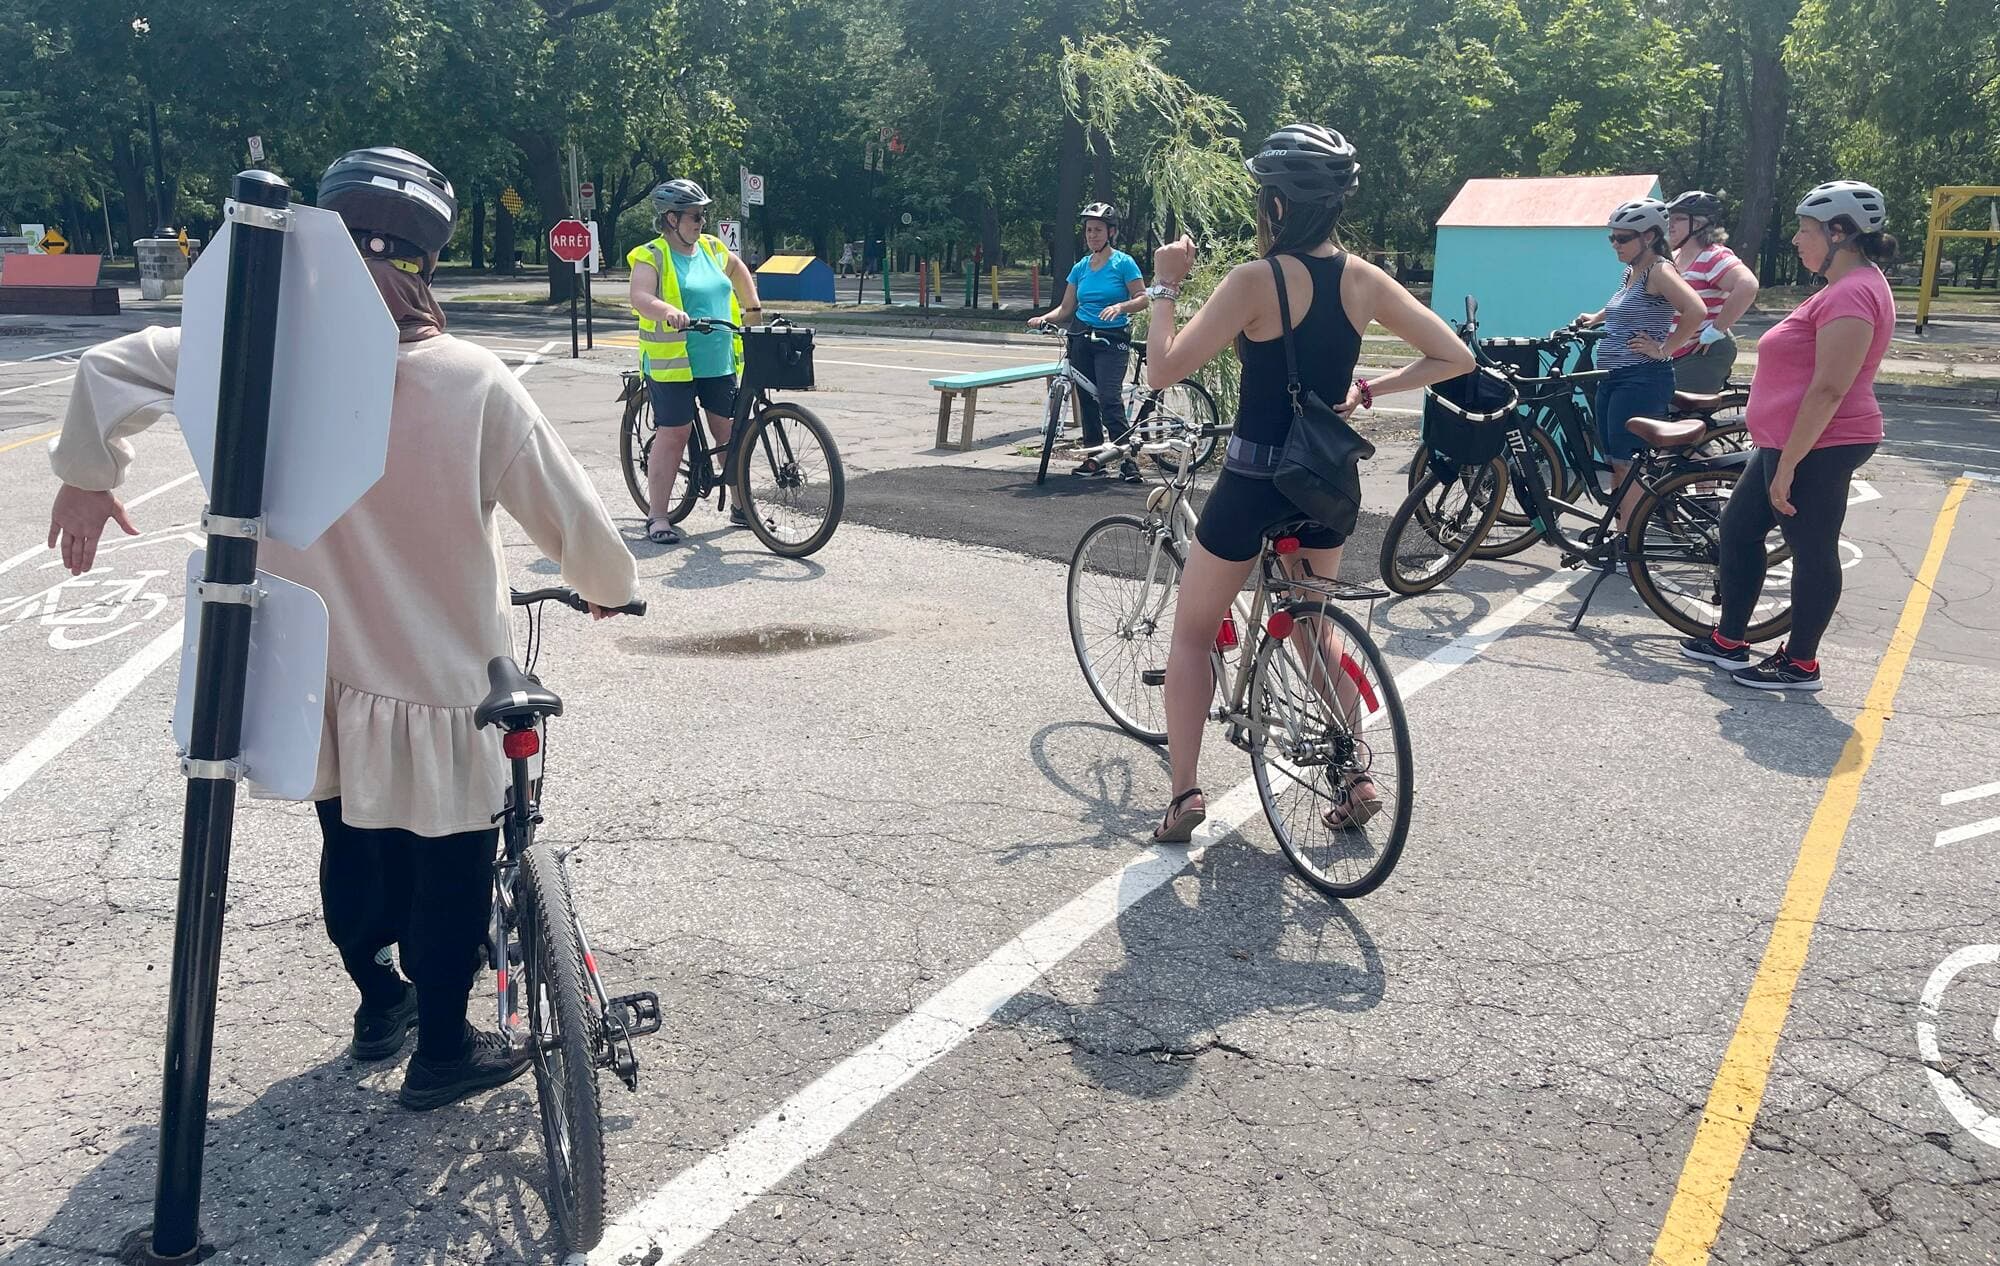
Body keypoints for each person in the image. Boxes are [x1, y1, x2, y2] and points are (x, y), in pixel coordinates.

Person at [43, 146, 640, 1110]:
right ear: (426, 267)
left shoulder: (252, 355)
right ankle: (443, 1049)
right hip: (441, 681)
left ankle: (378, 1002)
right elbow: (577, 529)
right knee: (450, 868)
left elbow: (111, 364)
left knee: (350, 844)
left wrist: (86, 475)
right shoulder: (471, 381)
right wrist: (608, 584)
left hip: (316, 680)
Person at [1140, 124, 1474, 842]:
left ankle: (1185, 796)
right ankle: (1355, 772)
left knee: (1194, 636)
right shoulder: (1362, 277)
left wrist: (1165, 283)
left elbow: (1162, 370)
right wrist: (1372, 388)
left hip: (1254, 481)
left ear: (1277, 203)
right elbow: (1454, 357)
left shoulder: (1254, 281)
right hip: (1326, 484)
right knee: (1312, 624)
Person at [1680, 180, 1895, 691]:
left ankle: (1800, 663)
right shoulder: (1843, 286)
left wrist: (1791, 463)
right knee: (1737, 528)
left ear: (1840, 232)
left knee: (1812, 549)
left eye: (1805, 231)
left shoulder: (1855, 292)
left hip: (1820, 443)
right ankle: (1730, 640)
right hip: (1789, 441)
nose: (1797, 241)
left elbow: (1828, 389)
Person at [626, 179, 766, 544]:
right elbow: (640, 296)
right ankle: (658, 516)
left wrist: (752, 308)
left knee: (730, 431)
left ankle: (741, 506)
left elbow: (738, 271)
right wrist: (668, 310)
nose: (701, 223)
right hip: (673, 362)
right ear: (672, 219)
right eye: (695, 217)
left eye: (703, 216)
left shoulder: (711, 248)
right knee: (675, 434)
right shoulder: (652, 255)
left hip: (717, 358)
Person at [1574, 198, 1707, 526]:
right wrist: (1595, 318)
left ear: (1648, 237)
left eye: (1622, 238)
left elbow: (1696, 311)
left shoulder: (1659, 270)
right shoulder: (1631, 271)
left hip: (1641, 379)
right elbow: (1621, 307)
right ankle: (1619, 532)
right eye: (1612, 238)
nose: (1614, 245)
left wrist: (1664, 348)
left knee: (1627, 463)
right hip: (1614, 375)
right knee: (1616, 463)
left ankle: (1627, 543)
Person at [1026, 203, 1146, 482]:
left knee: (1108, 397)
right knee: (1087, 400)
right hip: (1081, 335)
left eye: (1098, 230)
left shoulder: (1123, 263)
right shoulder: (1081, 267)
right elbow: (1066, 308)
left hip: (1111, 337)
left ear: (1111, 232)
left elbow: (1142, 298)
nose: (1092, 235)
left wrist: (1121, 307)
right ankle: (1095, 459)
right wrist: (1044, 318)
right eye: (1089, 230)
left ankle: (1128, 460)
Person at [1666, 190, 1760, 394]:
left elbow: (1747, 285)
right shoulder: (1674, 257)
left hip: (1700, 353)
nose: (1670, 224)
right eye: (1669, 218)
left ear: (1698, 224)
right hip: (1675, 352)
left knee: (1678, 418)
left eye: (1678, 219)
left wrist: (1715, 330)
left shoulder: (1713, 256)